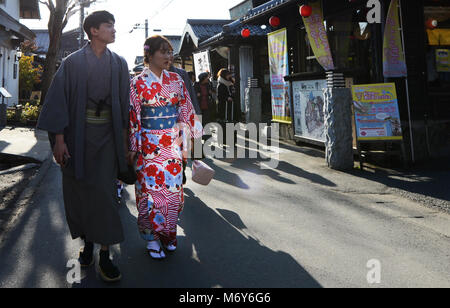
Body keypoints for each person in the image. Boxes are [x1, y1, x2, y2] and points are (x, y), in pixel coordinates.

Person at [37, 11, 129, 283]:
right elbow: (58, 103)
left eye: (114, 25)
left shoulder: (119, 64)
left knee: (105, 195)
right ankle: (88, 242)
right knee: (79, 193)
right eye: (108, 26)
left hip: (108, 139)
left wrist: (125, 144)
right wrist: (60, 141)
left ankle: (104, 254)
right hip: (77, 136)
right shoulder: (73, 62)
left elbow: (124, 107)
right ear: (93, 31)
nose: (114, 30)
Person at [128, 35, 202, 259]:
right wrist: (133, 145)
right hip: (147, 144)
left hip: (172, 144)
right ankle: (151, 238)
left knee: (173, 192)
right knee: (149, 193)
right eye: (163, 52)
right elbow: (133, 116)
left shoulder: (177, 80)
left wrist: (193, 139)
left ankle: (169, 234)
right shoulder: (137, 82)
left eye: (170, 52)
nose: (169, 56)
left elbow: (186, 110)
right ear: (149, 55)